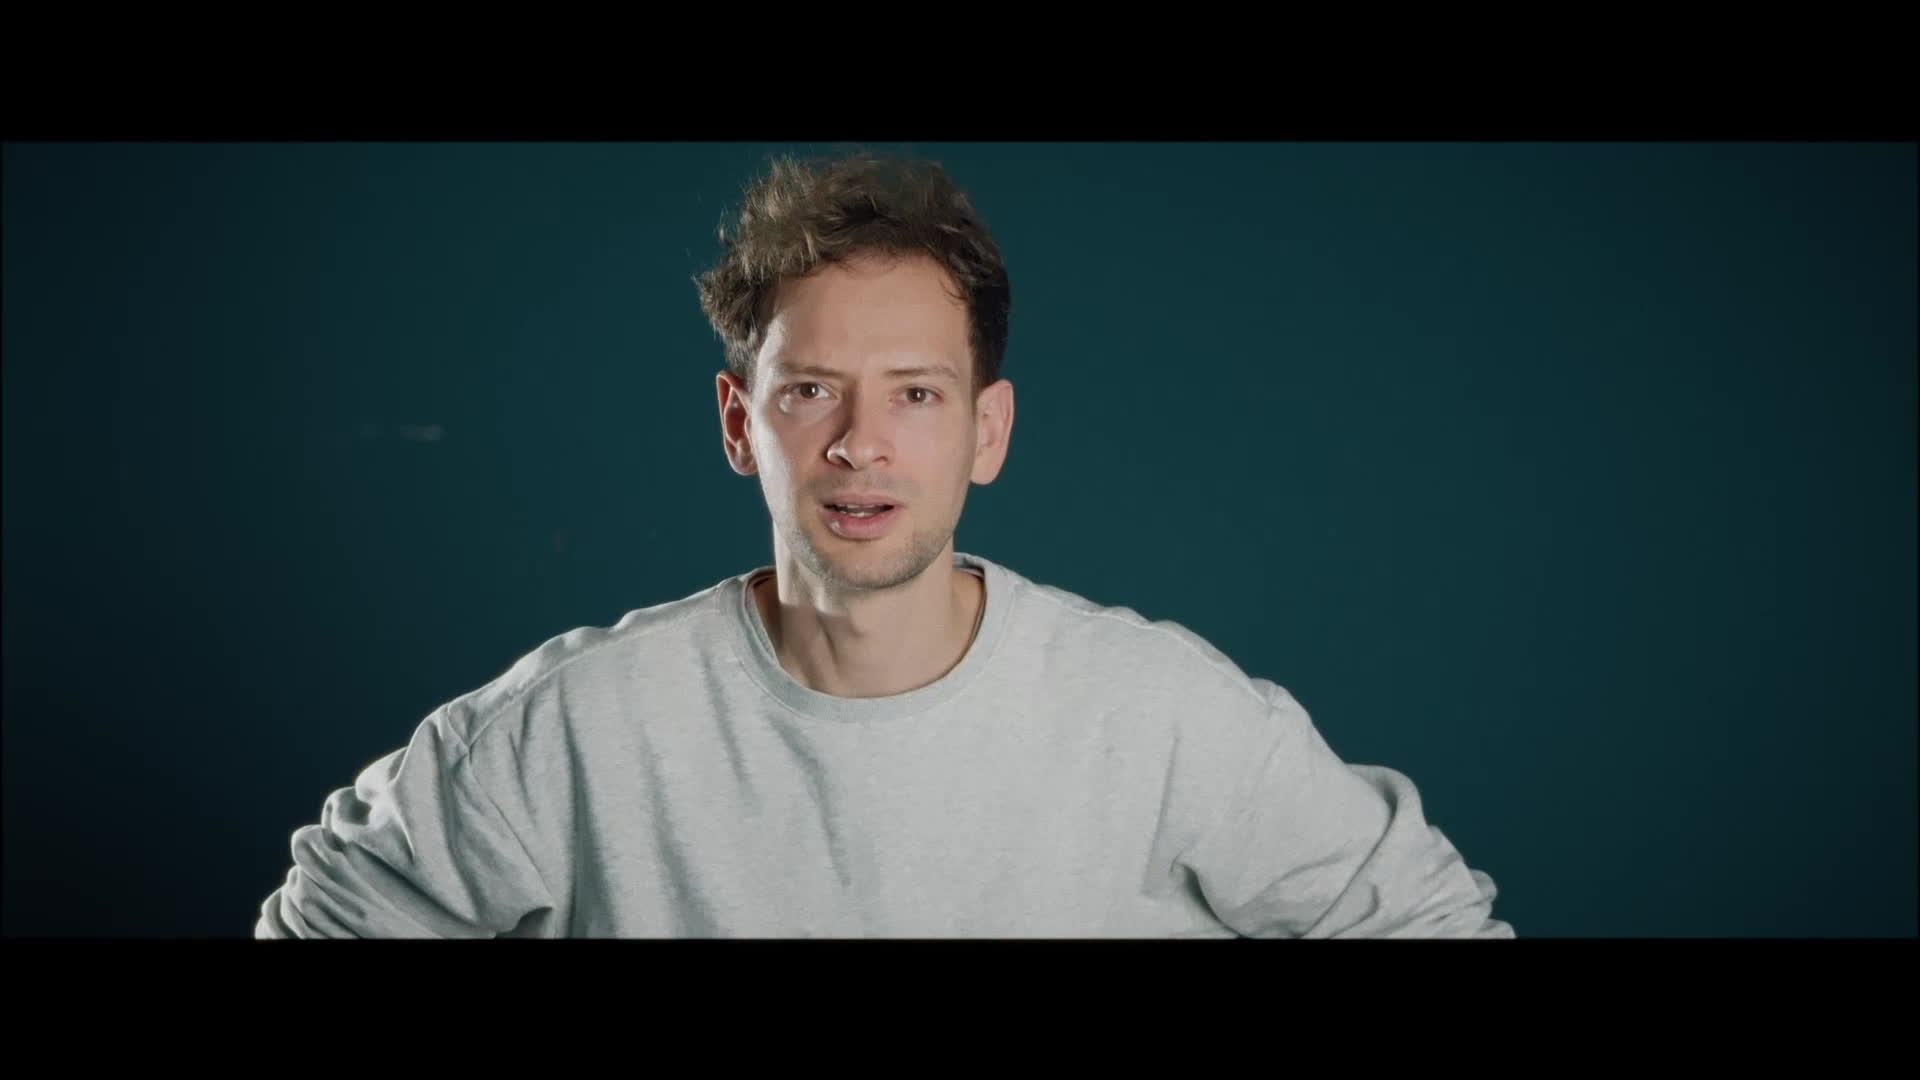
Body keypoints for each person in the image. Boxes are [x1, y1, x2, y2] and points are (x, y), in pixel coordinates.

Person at [255, 150, 1514, 939]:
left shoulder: (1166, 715)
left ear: (986, 430)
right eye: (812, 391)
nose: (861, 443)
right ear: (741, 423)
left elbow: (1430, 923)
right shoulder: (568, 734)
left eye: (915, 393)